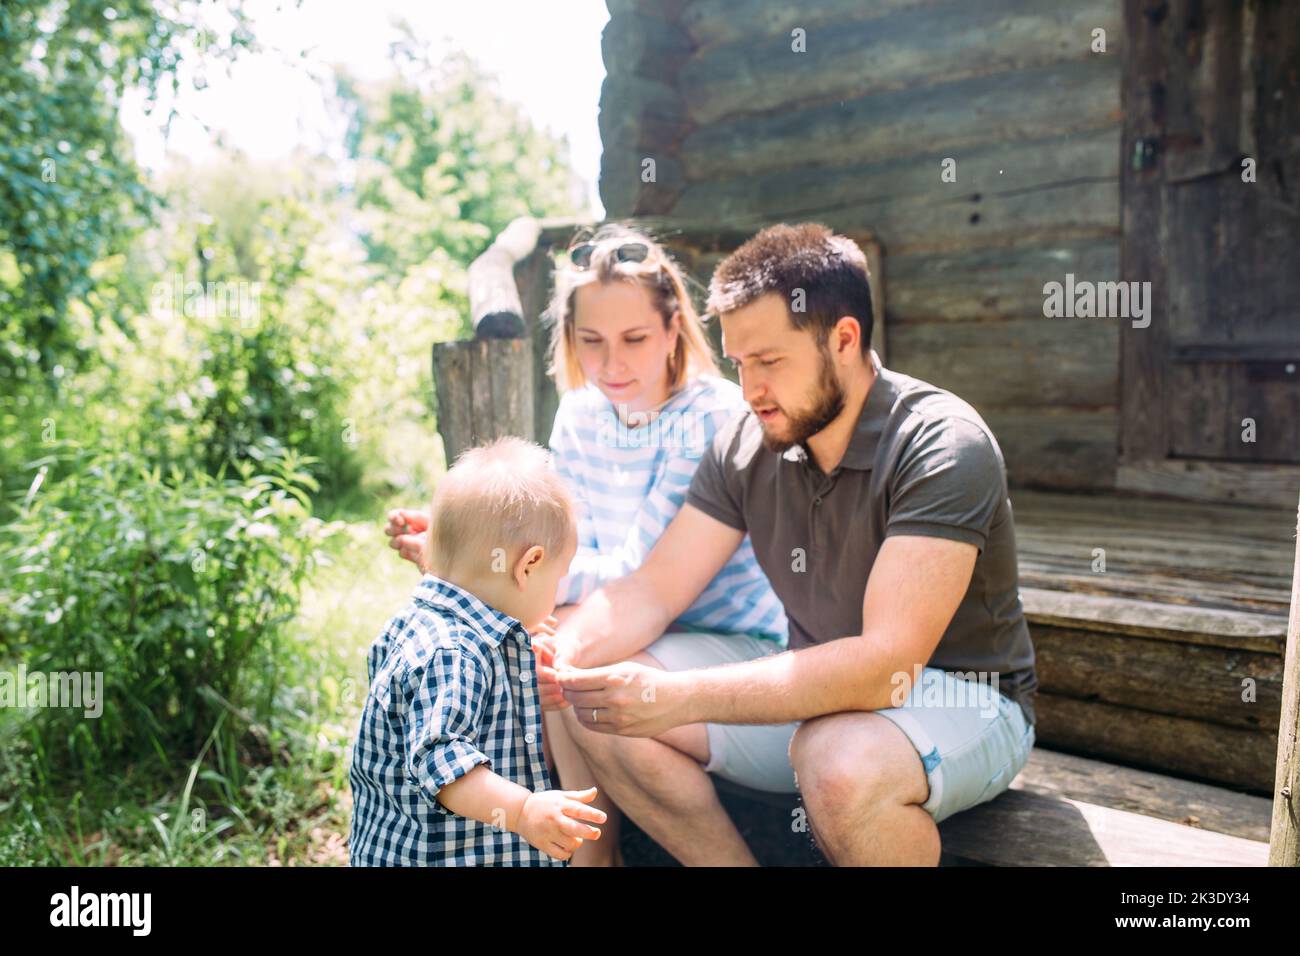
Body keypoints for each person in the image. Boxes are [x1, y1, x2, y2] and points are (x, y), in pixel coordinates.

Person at [547, 223, 1039, 866]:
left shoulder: (942, 444)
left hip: (962, 698)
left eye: (770, 361)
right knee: (599, 697)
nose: (749, 390)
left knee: (836, 762)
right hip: (812, 694)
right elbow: (651, 589)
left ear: (843, 339)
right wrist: (561, 656)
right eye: (739, 362)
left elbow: (884, 668)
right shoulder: (745, 444)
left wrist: (677, 697)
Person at [383, 224, 789, 865]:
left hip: (733, 640)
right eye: (590, 341)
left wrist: (468, 562)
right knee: (551, 643)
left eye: (634, 340)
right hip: (636, 623)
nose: (612, 365)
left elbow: (637, 574)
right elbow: (569, 555)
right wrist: (477, 542)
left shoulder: (711, 417)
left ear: (673, 328)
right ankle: (591, 857)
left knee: (573, 670)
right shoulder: (580, 410)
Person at [350, 437, 605, 865]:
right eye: (558, 576)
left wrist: (516, 658)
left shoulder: (425, 623)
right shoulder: (455, 653)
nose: (558, 591)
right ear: (527, 566)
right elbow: (440, 759)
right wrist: (525, 810)